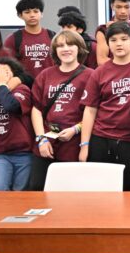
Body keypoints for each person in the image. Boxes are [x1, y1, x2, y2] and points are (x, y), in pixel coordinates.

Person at [79, 22, 130, 191]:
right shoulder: (99, 71)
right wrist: (84, 145)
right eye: (113, 40)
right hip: (101, 138)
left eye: (123, 39)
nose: (119, 43)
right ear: (108, 44)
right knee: (100, 189)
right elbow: (90, 110)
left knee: (128, 188)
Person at [29, 30, 93, 190]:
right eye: (61, 45)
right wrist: (41, 139)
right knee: (38, 189)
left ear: (79, 48)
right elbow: (36, 109)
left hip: (73, 144)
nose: (66, 49)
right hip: (46, 142)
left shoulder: (90, 75)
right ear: (55, 51)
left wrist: (75, 129)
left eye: (70, 44)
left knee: (69, 193)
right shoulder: (45, 75)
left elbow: (93, 112)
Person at [0, 58, 33, 191]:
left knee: (21, 192)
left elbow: (11, 105)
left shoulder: (21, 89)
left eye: (6, 72)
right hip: (1, 154)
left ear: (14, 75)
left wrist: (2, 85)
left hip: (24, 153)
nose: (1, 74)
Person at [4, 0, 55, 79]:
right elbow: (7, 66)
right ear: (20, 15)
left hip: (50, 85)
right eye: (27, 12)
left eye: (36, 11)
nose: (32, 15)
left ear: (42, 14)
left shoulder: (53, 36)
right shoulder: (13, 39)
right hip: (24, 85)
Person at [96, 0, 130, 66]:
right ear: (112, 7)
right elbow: (101, 60)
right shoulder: (103, 30)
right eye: (119, 7)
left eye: (126, 7)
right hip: (112, 75)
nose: (123, 11)